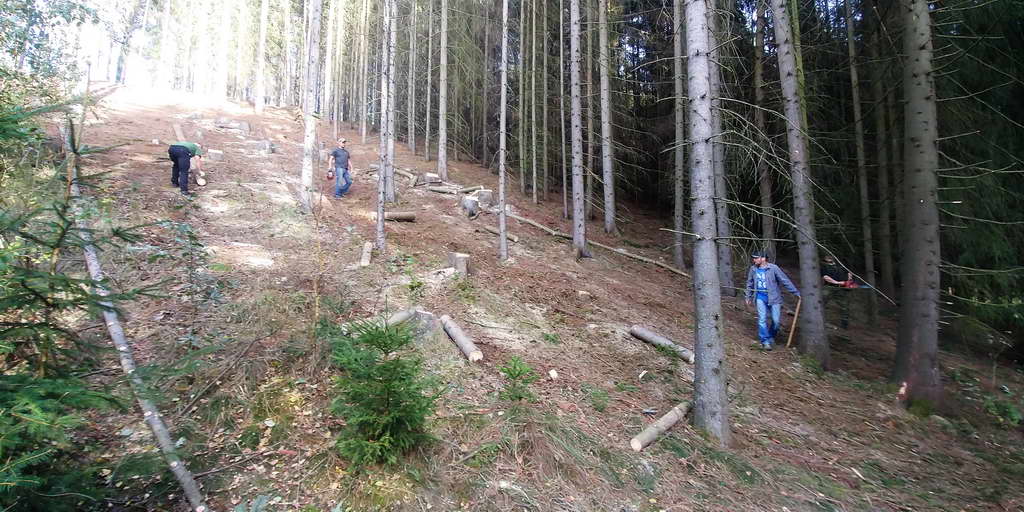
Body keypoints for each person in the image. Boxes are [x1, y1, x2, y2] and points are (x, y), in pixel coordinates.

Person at [744, 251, 801, 350]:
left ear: (763, 258)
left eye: (756, 258)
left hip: (774, 298)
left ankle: (770, 336)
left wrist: (795, 292)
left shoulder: (773, 268)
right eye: (754, 258)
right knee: (762, 319)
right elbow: (750, 283)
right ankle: (765, 341)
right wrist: (748, 296)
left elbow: (784, 280)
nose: (754, 260)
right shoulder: (753, 269)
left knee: (776, 321)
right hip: (760, 297)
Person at [821, 254, 852, 329]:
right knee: (821, 303)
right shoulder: (823, 266)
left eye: (830, 256)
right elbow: (825, 277)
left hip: (841, 288)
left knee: (845, 306)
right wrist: (837, 282)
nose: (829, 258)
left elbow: (848, 273)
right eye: (827, 257)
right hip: (829, 287)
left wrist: (848, 281)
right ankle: (819, 320)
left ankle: (844, 325)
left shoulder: (840, 264)